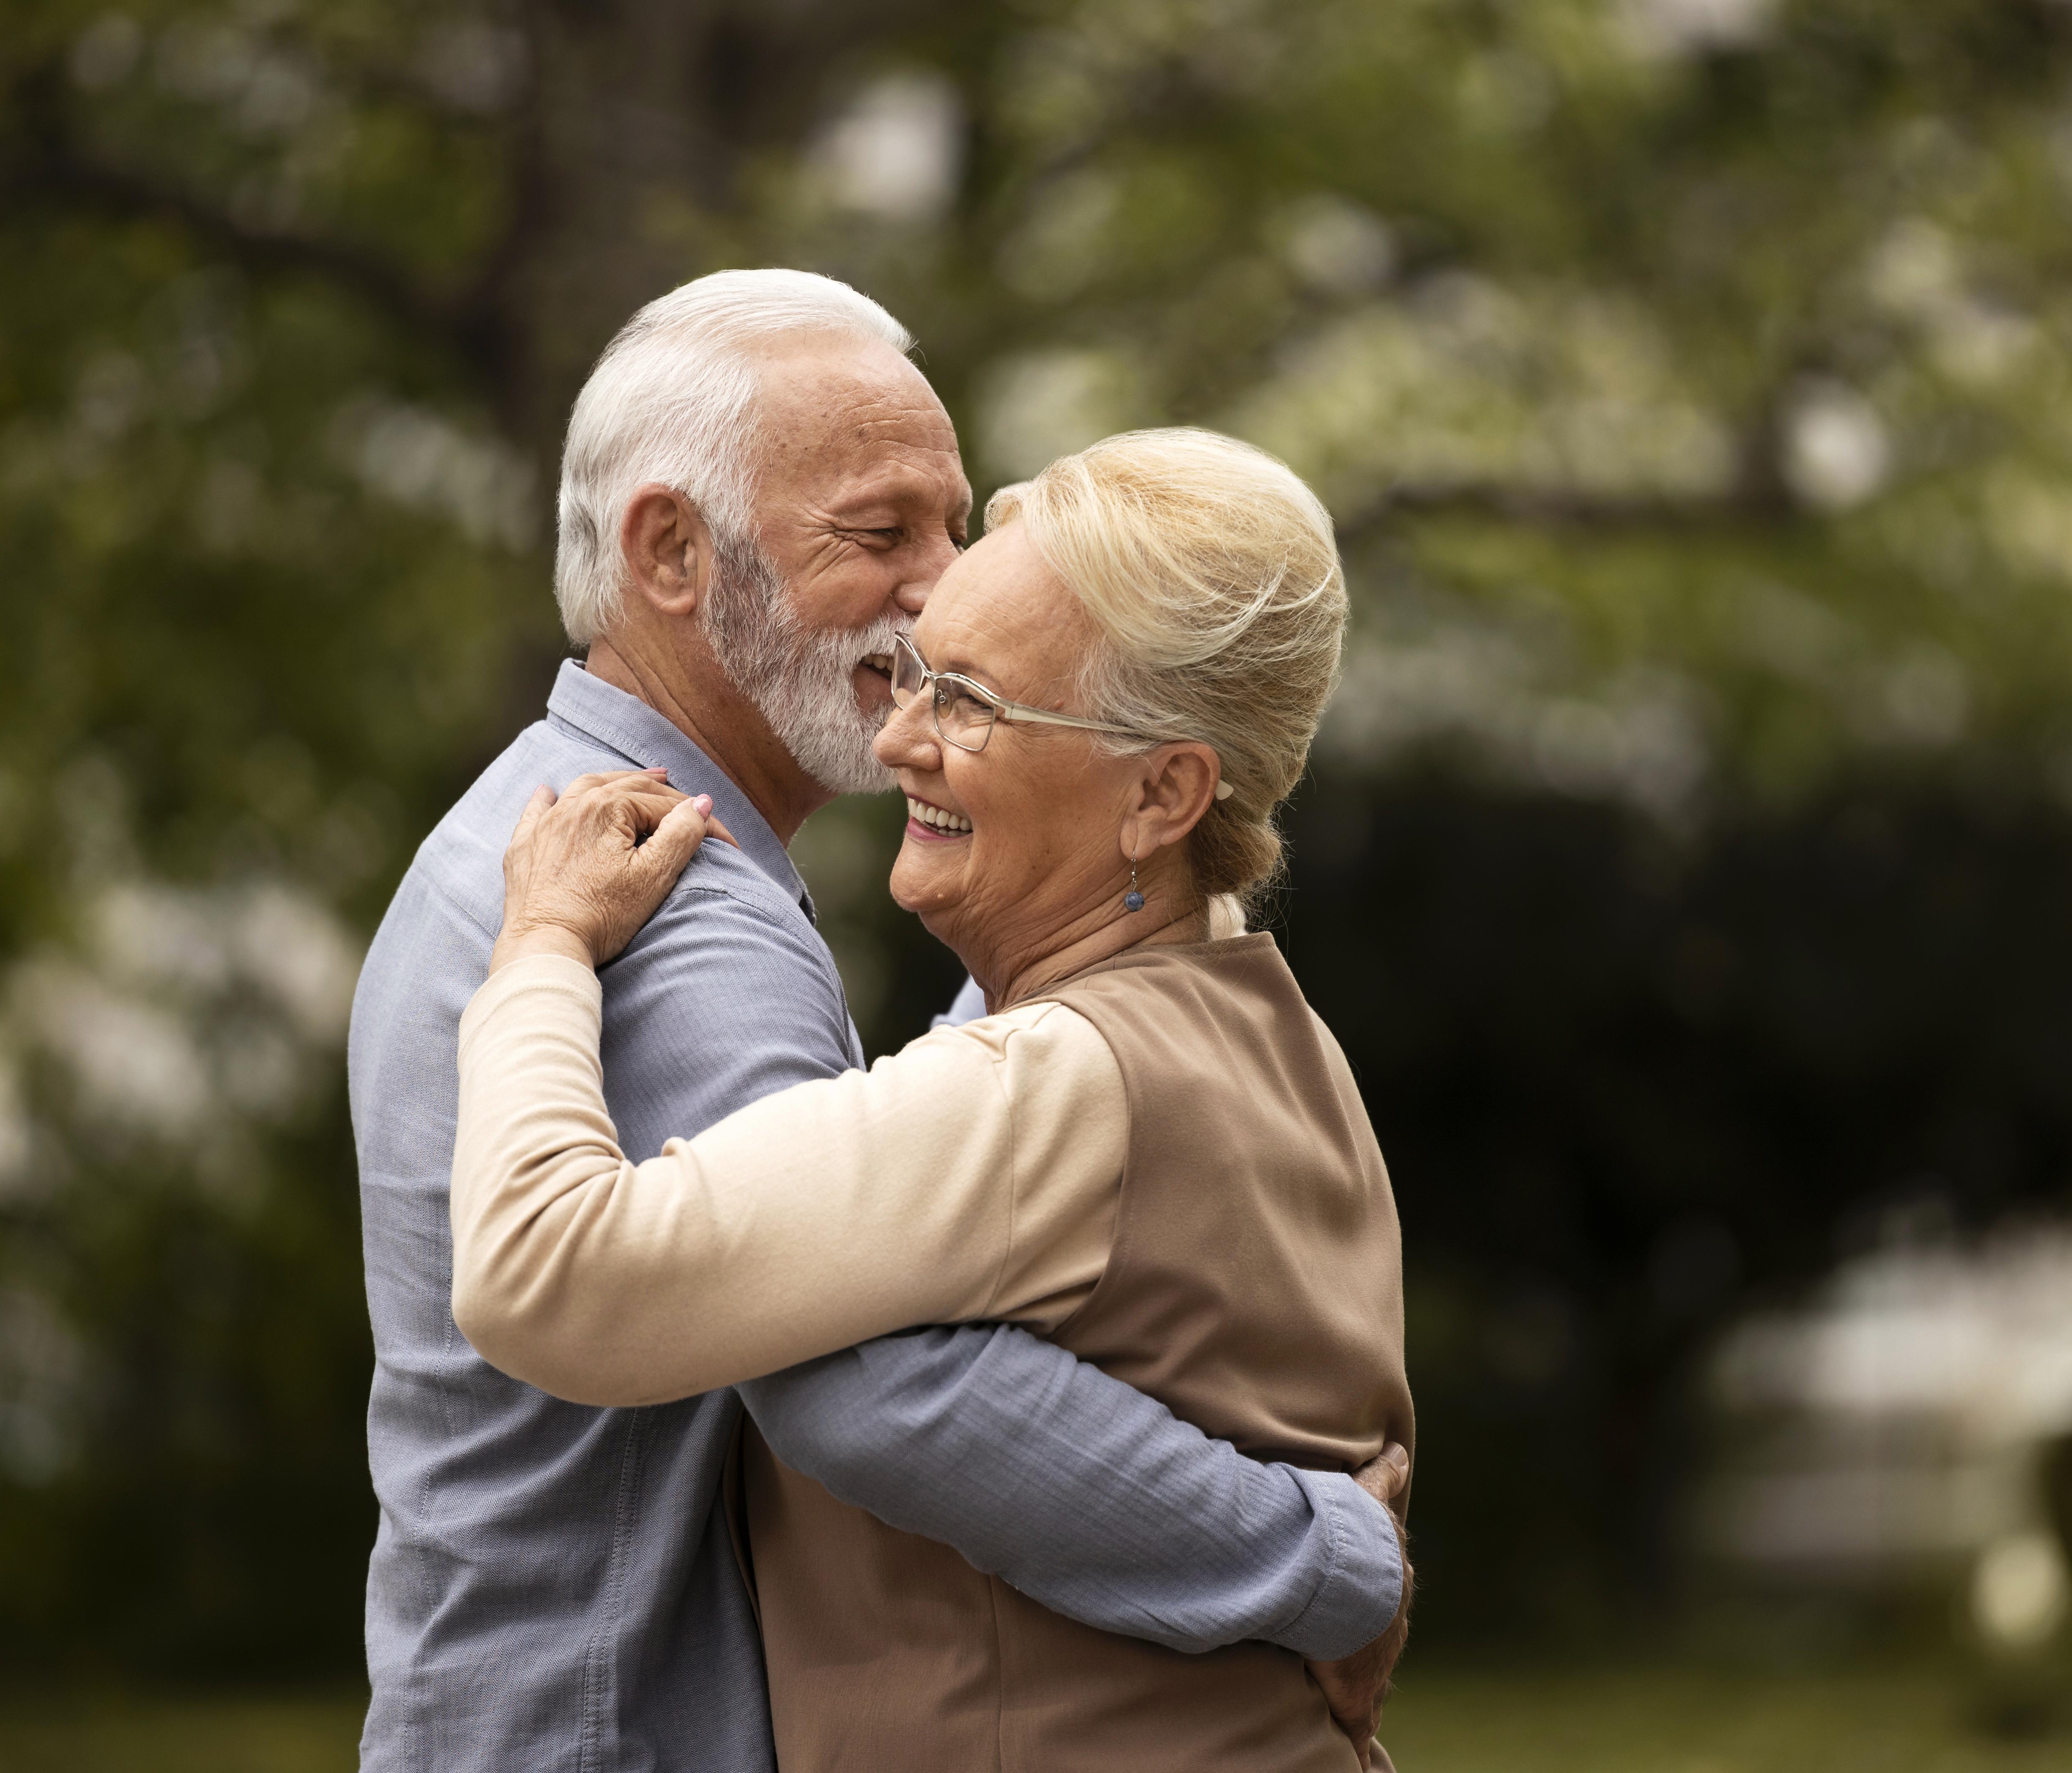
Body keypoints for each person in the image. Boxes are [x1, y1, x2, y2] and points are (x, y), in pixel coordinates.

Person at [348, 274, 1409, 1773]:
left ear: (1168, 792)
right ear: (670, 552)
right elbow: (869, 1377)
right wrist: (1329, 1564)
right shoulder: (679, 909)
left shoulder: (516, 829)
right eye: (882, 535)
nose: (938, 595)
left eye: (955, 529)